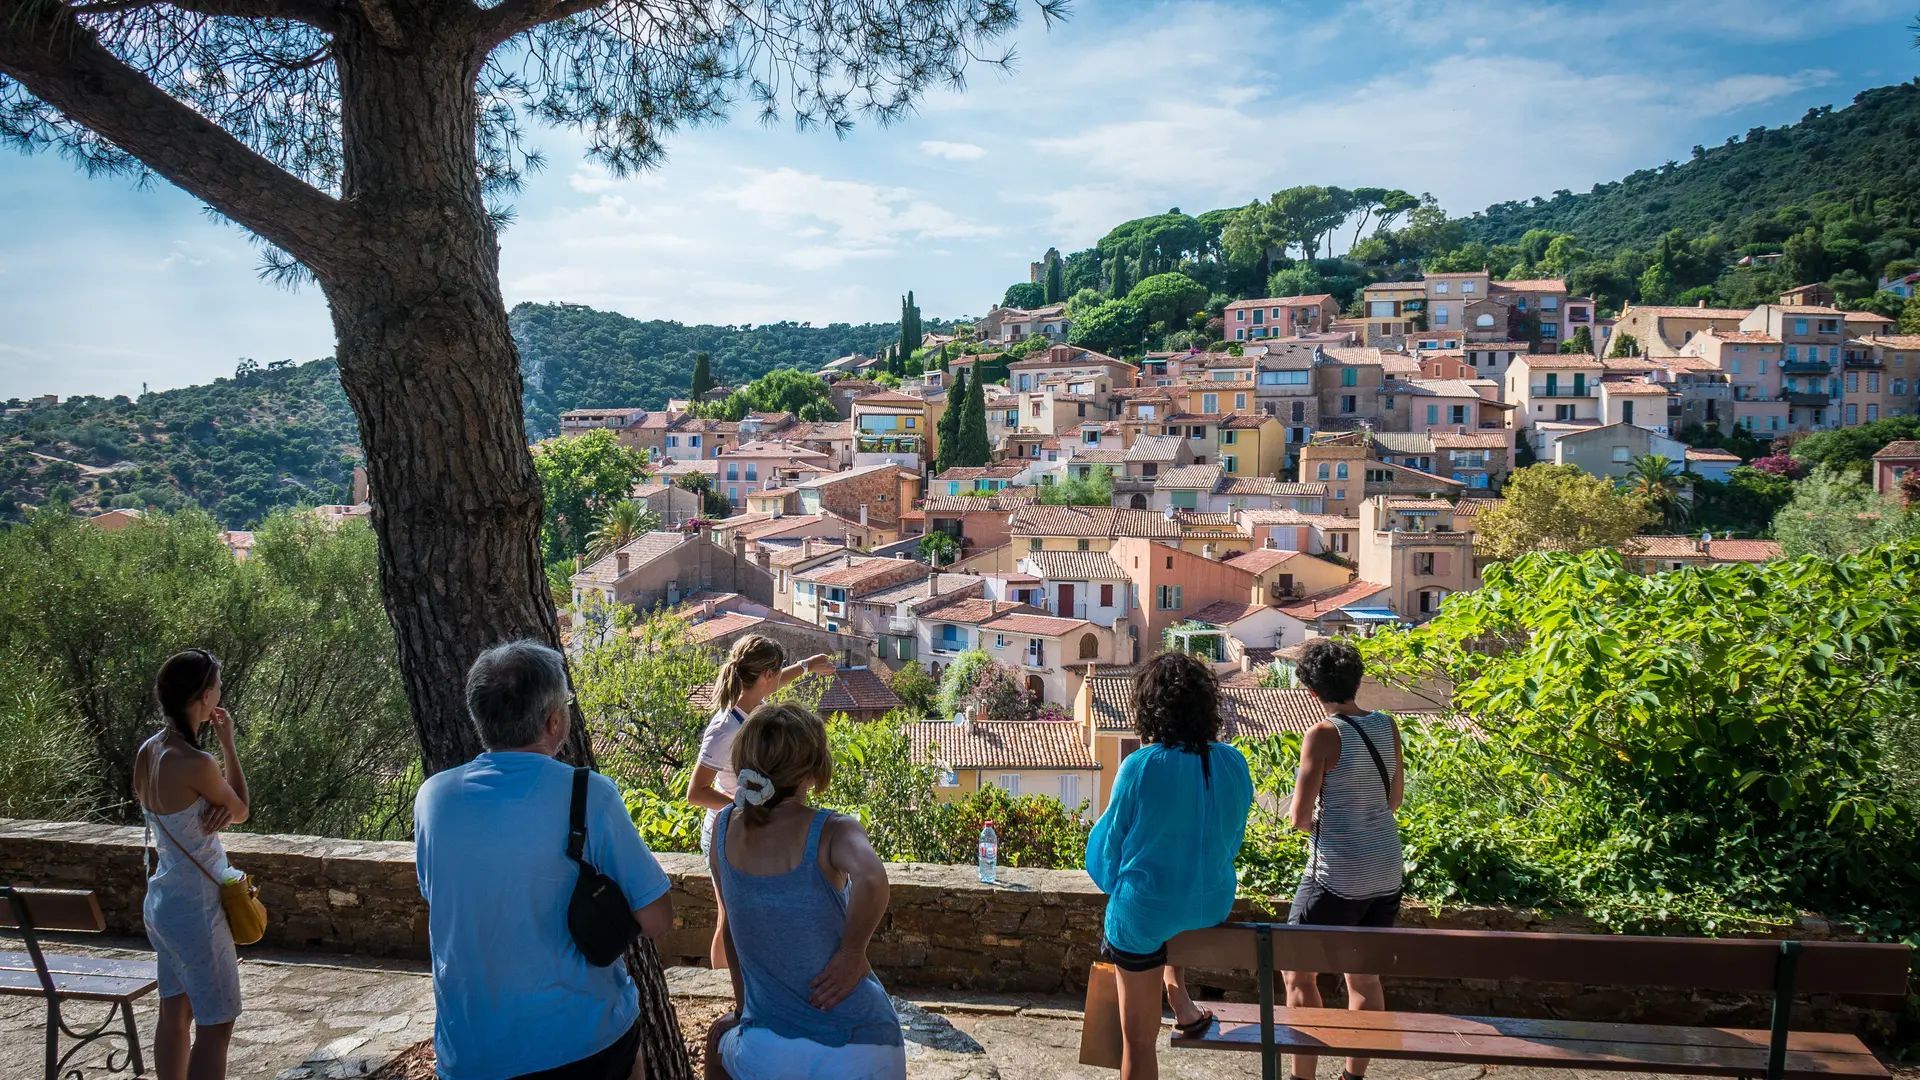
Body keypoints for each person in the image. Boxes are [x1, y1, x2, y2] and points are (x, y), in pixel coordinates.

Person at [415, 641, 675, 1080]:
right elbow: (658, 918)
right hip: (583, 1041)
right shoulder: (589, 795)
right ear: (554, 721)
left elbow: (438, 893)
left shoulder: (434, 798)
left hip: (472, 1053)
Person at [701, 703, 904, 1080]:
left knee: (718, 1044)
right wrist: (852, 953)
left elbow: (731, 928)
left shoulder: (724, 830)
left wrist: (745, 1010)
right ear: (812, 769)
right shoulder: (832, 830)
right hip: (865, 1044)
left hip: (770, 1051)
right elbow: (873, 879)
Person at [1086, 651, 1254, 1080]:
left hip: (1147, 917)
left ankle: (1173, 999)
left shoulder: (1140, 766)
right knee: (1169, 898)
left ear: (1148, 709)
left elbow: (1108, 853)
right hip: (1210, 903)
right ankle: (1179, 999)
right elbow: (1230, 842)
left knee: (1138, 1043)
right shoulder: (1234, 763)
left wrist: (1118, 890)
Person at [1283, 638, 1405, 1080]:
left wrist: (1320, 813)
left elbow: (1299, 817)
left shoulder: (1322, 734)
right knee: (1365, 979)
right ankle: (1353, 1076)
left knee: (1298, 976)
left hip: (1335, 876)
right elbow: (1393, 801)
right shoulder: (1387, 726)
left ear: (1313, 691)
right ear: (1357, 681)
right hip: (1386, 870)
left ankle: (1303, 1077)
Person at [134, 649, 252, 1080]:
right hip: (197, 909)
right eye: (218, 687)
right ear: (204, 697)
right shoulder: (197, 762)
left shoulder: (149, 751)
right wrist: (228, 745)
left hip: (162, 899)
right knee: (216, 1023)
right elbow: (240, 810)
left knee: (174, 1012)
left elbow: (161, 807)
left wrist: (209, 801)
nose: (220, 693)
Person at [686, 635, 833, 967]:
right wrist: (744, 804)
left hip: (749, 827)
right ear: (765, 675)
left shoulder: (755, 708)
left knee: (746, 914)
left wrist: (807, 666)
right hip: (725, 831)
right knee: (729, 915)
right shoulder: (725, 728)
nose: (779, 678)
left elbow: (777, 681)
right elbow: (696, 792)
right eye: (776, 672)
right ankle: (722, 987)